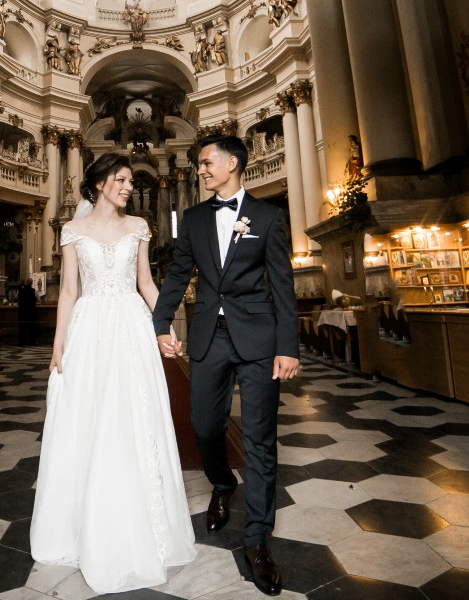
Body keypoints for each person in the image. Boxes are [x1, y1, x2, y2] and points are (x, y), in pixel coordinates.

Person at [30, 153, 196, 594]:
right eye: (121, 179)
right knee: (86, 416)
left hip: (130, 327)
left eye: (129, 180)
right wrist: (58, 345)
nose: (129, 186)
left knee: (131, 418)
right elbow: (68, 290)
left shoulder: (138, 227)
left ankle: (139, 517)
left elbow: (145, 282)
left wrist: (164, 325)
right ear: (101, 183)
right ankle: (85, 522)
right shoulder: (72, 230)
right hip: (88, 330)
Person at [152, 134, 300, 596]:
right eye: (198, 163)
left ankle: (256, 540)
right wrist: (160, 322)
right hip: (208, 340)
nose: (200, 169)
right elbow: (178, 275)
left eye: (205, 162)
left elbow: (282, 284)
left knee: (258, 439)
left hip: (258, 340)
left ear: (232, 163)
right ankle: (221, 484)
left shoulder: (269, 217)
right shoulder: (194, 219)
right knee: (205, 424)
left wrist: (288, 347)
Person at [16, 277, 37, 345]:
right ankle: (31, 342)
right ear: (31, 283)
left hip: (22, 311)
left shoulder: (20, 290)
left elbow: (17, 298)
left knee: (22, 327)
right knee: (31, 328)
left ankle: (21, 342)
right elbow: (36, 299)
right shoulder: (33, 290)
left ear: (26, 282)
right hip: (31, 311)